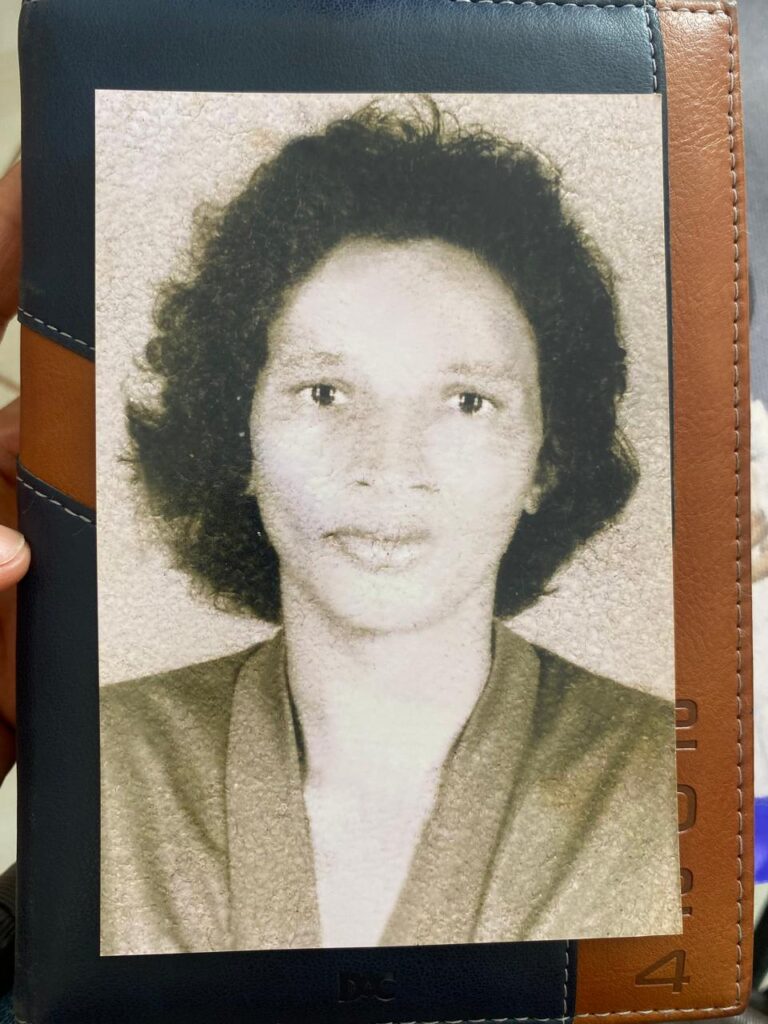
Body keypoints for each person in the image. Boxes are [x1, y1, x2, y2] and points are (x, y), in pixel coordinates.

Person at [98, 95, 682, 955]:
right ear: (238, 436)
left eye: (467, 401)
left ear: (546, 458)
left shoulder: (672, 778)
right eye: (325, 393)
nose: (387, 465)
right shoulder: (100, 762)